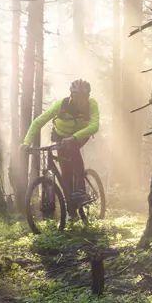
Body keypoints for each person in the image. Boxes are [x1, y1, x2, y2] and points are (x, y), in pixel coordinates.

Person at [21, 79, 99, 207]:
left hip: (80, 135)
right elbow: (38, 122)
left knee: (73, 151)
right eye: (76, 96)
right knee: (65, 170)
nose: (79, 100)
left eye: (83, 97)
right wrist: (26, 143)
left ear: (88, 96)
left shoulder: (92, 104)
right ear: (71, 95)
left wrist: (74, 137)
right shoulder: (62, 105)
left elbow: (94, 126)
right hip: (61, 136)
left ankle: (81, 191)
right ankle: (71, 206)